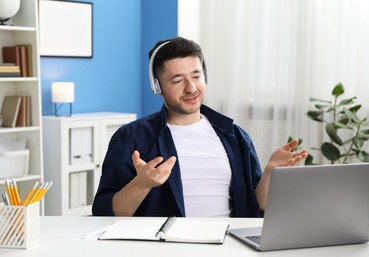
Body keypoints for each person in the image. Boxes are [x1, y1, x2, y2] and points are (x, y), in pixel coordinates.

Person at [92, 37, 307, 217]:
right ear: (157, 87)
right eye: (177, 81)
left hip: (229, 248)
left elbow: (256, 205)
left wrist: (271, 173)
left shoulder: (235, 136)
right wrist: (142, 184)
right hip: (164, 250)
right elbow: (103, 214)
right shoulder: (131, 137)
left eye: (196, 76)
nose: (191, 88)